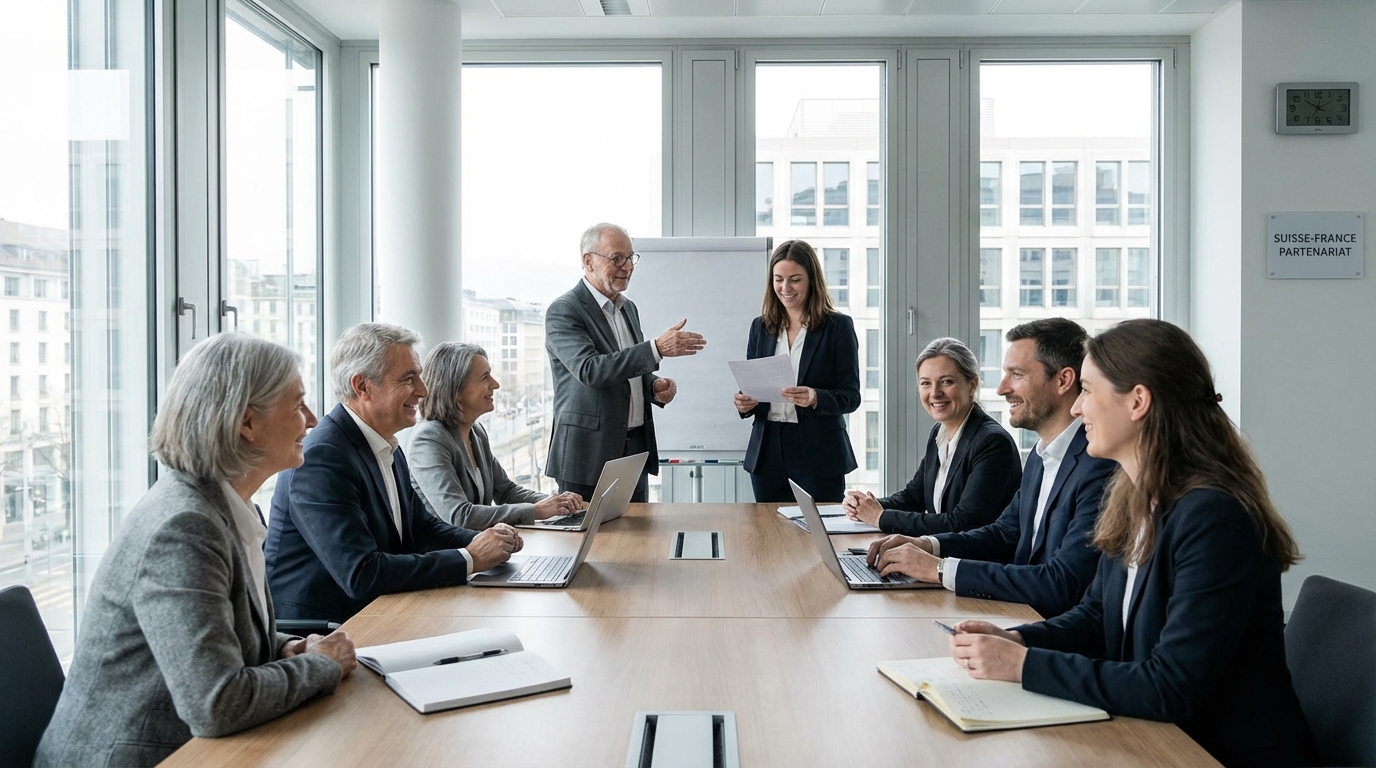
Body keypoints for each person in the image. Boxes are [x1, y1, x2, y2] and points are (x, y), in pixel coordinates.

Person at [948, 319, 1315, 768]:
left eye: (1087, 390)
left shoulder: (1214, 517)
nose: (1078, 408)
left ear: (1138, 401)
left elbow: (1171, 685)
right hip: (1151, 736)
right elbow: (1096, 616)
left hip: (1213, 752)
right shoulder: (1134, 496)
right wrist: (1017, 639)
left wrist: (1022, 666)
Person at [34, 334, 356, 768]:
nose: (313, 419)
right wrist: (321, 666)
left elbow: (216, 632)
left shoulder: (223, 505)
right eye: (297, 405)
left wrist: (282, 648)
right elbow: (216, 702)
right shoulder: (183, 527)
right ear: (246, 422)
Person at [265, 323, 523, 622]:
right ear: (362, 386)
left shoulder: (385, 442)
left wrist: (488, 539)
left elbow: (421, 528)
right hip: (330, 628)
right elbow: (362, 573)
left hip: (381, 609)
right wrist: (471, 557)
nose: (423, 391)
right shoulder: (324, 456)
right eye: (409, 378)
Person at [867, 318, 1116, 618]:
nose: (1001, 388)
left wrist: (939, 568)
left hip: (1048, 628)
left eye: (1017, 374)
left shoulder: (1098, 468)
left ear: (1063, 381)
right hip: (1013, 611)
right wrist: (927, 545)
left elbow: (1062, 584)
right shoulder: (1040, 456)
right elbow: (1003, 534)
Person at [545, 223, 706, 503]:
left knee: (638, 543)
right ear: (588, 261)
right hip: (587, 456)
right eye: (617, 258)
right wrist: (656, 348)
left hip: (634, 450)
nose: (627, 266)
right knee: (589, 544)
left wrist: (654, 386)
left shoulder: (628, 308)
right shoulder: (564, 310)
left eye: (631, 258)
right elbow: (590, 370)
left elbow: (627, 370)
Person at [841, 337, 1021, 536]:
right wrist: (865, 506)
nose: (935, 393)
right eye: (926, 383)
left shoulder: (992, 443)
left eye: (946, 382)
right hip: (939, 553)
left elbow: (964, 523)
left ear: (972, 385)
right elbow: (914, 497)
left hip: (975, 562)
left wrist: (879, 517)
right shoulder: (940, 432)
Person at [733, 240, 860, 502]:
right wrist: (746, 402)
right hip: (767, 450)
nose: (785, 288)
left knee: (818, 535)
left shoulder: (837, 327)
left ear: (811, 280)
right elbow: (753, 388)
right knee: (768, 534)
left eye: (795, 279)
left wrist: (815, 396)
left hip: (818, 450)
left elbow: (851, 396)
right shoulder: (761, 327)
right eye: (778, 279)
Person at [409, 342, 585, 528]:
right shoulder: (428, 440)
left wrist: (561, 504)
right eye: (485, 377)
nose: (495, 384)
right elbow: (460, 515)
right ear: (456, 390)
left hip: (483, 545)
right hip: (450, 553)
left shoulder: (476, 432)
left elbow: (506, 491)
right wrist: (537, 510)